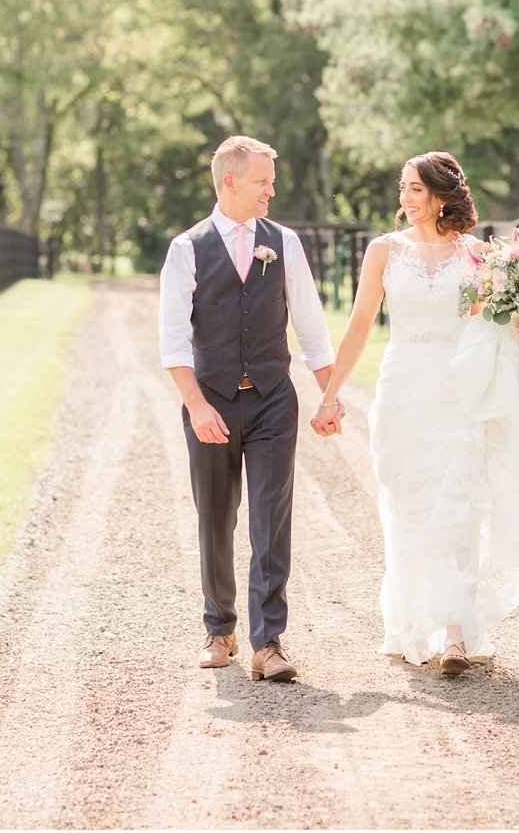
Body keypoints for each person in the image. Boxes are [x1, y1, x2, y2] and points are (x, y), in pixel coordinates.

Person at [311, 151, 519, 674]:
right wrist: (330, 393)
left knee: (460, 504)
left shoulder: (477, 255)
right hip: (403, 386)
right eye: (402, 188)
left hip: (457, 389)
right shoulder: (383, 251)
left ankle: (455, 632)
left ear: (442, 195)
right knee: (408, 503)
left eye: (416, 190)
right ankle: (410, 624)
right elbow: (359, 326)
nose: (405, 198)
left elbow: (494, 321)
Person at [159, 136, 341, 682]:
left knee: (270, 516)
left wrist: (330, 396)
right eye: (263, 181)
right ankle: (220, 628)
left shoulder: (283, 243)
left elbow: (310, 327)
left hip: (270, 402)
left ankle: (269, 641)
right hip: (210, 402)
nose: (272, 190)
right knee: (216, 518)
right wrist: (195, 406)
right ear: (231, 182)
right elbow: (172, 341)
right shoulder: (186, 249)